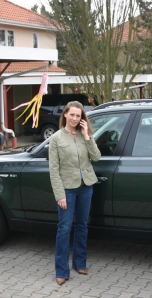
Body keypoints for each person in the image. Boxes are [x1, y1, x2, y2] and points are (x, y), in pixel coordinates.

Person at [49, 101, 101, 285]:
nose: (74, 118)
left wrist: (87, 136)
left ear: (82, 118)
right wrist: (60, 195)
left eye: (78, 116)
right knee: (64, 229)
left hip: (86, 186)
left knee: (82, 226)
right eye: (72, 115)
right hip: (67, 189)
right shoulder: (56, 138)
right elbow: (54, 170)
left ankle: (80, 263)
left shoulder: (83, 135)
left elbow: (96, 157)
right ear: (65, 115)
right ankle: (61, 270)